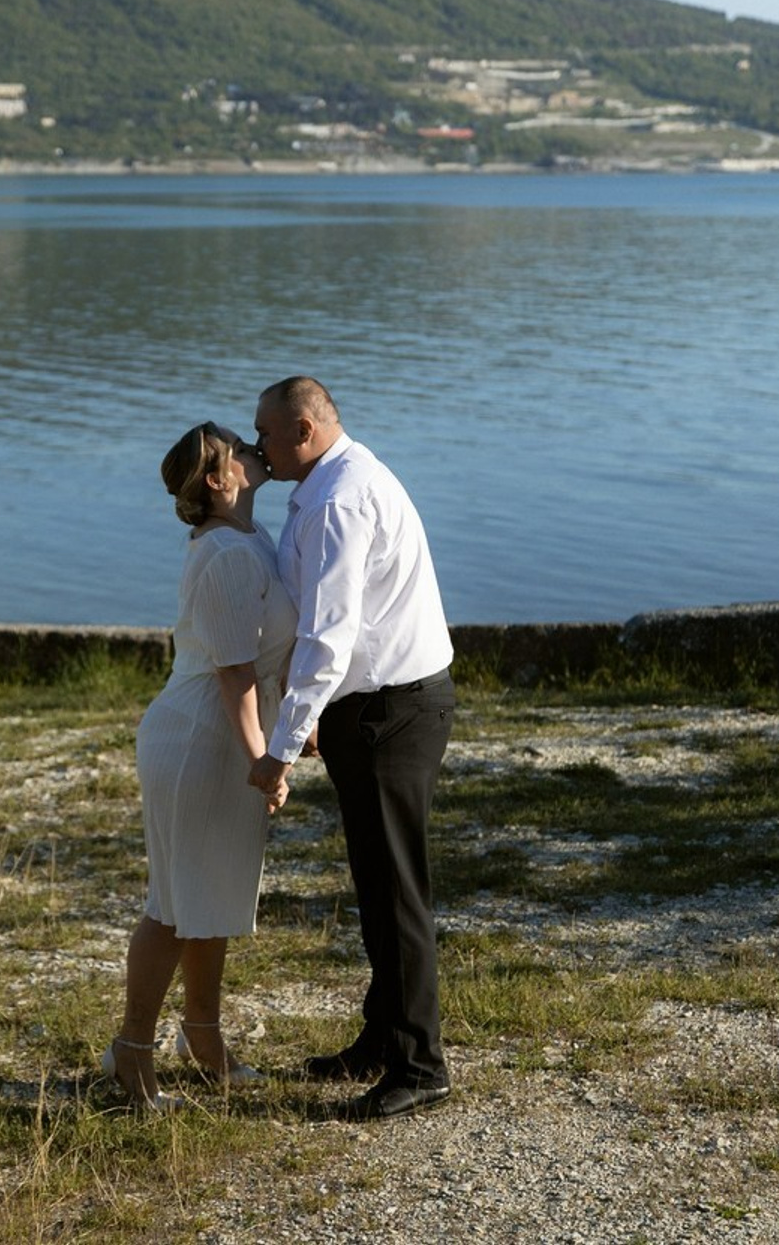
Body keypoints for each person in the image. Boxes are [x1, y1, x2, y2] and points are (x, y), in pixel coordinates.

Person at [247, 376, 456, 1122]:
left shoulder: (338, 501)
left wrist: (281, 742)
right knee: (377, 882)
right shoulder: (336, 479)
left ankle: (419, 1064)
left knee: (396, 890)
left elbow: (328, 638)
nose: (258, 448)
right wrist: (310, 723)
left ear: (303, 429)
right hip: (374, 708)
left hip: (389, 712)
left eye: (266, 434)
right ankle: (383, 1035)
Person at [103, 421, 298, 1111]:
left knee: (210, 899)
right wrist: (265, 759)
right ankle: (131, 1052)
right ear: (220, 481)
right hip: (198, 740)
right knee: (174, 906)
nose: (254, 449)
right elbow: (234, 671)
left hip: (223, 736)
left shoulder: (253, 539)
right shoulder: (227, 555)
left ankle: (203, 1035)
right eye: (241, 449)